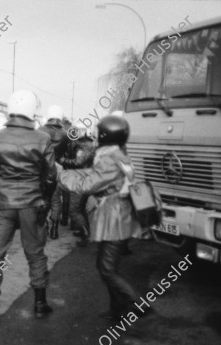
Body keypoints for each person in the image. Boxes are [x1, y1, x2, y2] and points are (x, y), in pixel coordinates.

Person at [0, 90, 56, 326]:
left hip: (3, 203)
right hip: (32, 203)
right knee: (35, 252)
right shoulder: (42, 138)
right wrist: (44, 199)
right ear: (31, 111)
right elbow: (50, 177)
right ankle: (39, 303)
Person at [58, 114, 143, 320]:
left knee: (106, 269)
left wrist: (60, 174)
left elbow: (88, 184)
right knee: (107, 266)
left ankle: (139, 304)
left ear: (105, 134)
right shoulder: (119, 154)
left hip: (114, 215)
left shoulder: (108, 157)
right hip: (119, 212)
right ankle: (117, 311)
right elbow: (95, 175)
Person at [59, 121, 96, 246]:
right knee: (80, 208)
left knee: (74, 209)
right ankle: (85, 231)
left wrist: (62, 160)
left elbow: (78, 162)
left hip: (81, 180)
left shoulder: (84, 144)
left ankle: (85, 234)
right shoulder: (85, 142)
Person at [38, 105, 69, 240]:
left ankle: (43, 225)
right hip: (58, 168)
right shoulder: (67, 133)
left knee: (42, 198)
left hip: (42, 168)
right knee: (56, 199)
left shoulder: (39, 131)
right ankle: (55, 228)